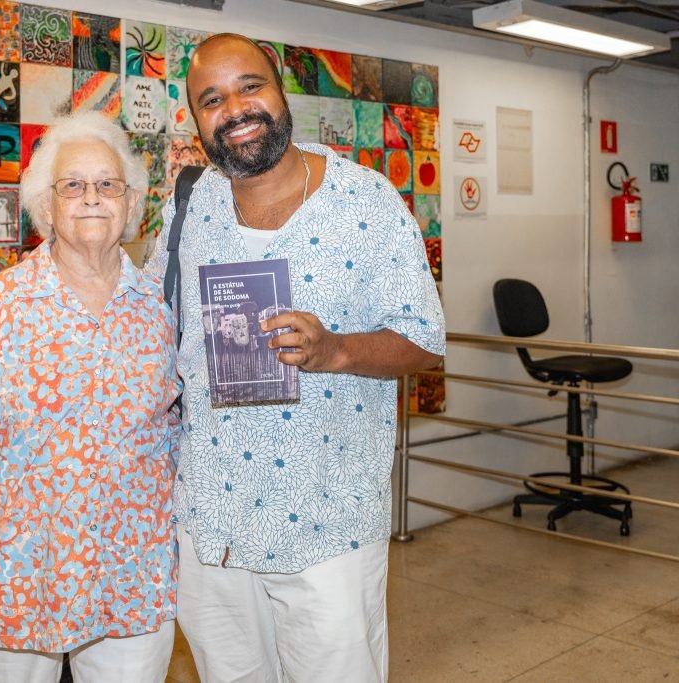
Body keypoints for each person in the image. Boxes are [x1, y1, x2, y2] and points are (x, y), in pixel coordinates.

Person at [148, 34, 446, 682]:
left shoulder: (366, 202)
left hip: (326, 526)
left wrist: (336, 349)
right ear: (195, 120)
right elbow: (150, 319)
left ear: (281, 88)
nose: (235, 108)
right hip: (211, 525)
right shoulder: (190, 204)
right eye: (212, 99)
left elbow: (425, 337)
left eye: (249, 85)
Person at [0, 111, 182, 683]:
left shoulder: (160, 310)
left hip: (130, 574)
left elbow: (182, 430)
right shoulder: (1, 305)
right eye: (73, 185)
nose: (92, 198)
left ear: (132, 204)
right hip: (18, 572)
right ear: (46, 205)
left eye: (108, 184)